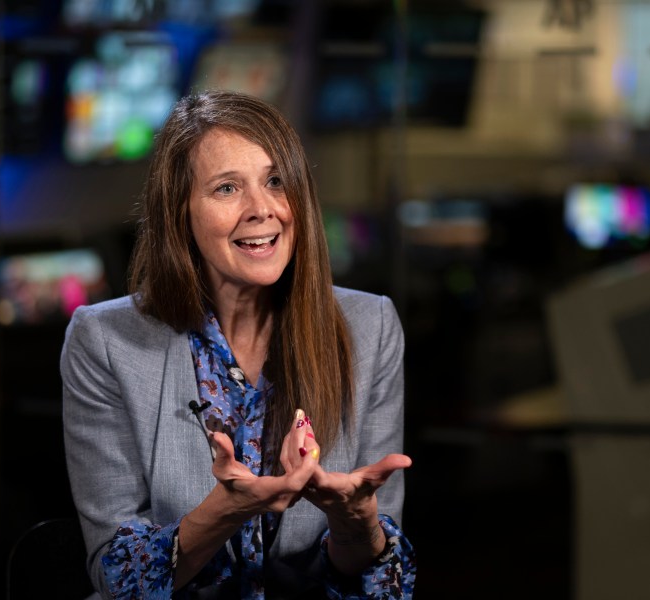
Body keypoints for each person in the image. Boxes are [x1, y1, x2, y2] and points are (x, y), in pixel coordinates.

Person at [61, 90, 416, 599]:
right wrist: (223, 511)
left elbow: (384, 586)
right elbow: (117, 576)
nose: (262, 209)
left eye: (275, 181)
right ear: (180, 213)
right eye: (227, 188)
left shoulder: (371, 327)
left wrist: (356, 523)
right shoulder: (105, 342)